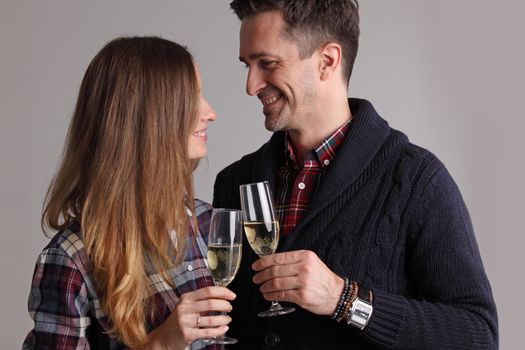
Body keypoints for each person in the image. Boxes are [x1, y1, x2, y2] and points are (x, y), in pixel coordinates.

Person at [213, 1, 498, 349]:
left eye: (267, 64)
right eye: (247, 65)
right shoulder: (233, 182)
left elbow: (478, 335)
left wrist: (343, 298)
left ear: (327, 61)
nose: (251, 85)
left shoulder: (416, 180)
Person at [23, 36, 236, 350]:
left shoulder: (208, 224)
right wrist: (161, 343)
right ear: (149, 118)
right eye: (192, 97)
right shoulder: (72, 260)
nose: (211, 113)